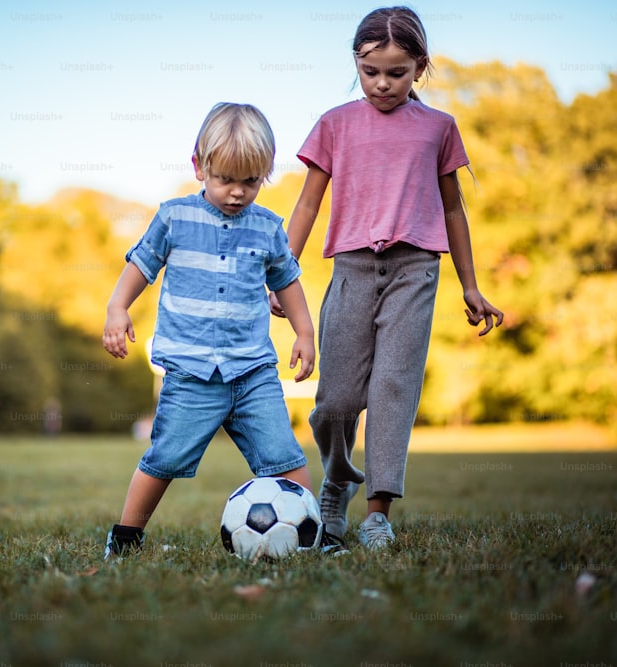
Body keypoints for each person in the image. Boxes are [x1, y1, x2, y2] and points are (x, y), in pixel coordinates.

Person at [272, 6, 504, 551]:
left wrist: (469, 285)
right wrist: (282, 273)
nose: (382, 83)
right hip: (351, 269)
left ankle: (378, 513)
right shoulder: (334, 123)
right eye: (371, 70)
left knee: (394, 389)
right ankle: (336, 478)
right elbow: (307, 204)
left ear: (420, 68)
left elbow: (454, 211)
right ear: (356, 61)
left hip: (415, 271)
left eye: (397, 73)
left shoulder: (439, 129)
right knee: (335, 399)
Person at [102, 102, 323, 557]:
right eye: (225, 179)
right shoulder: (173, 218)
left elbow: (288, 281)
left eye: (251, 181)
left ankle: (311, 538)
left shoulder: (267, 228)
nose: (237, 193)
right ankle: (125, 537)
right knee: (163, 458)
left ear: (265, 176)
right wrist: (117, 308)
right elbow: (141, 265)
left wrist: (304, 333)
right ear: (199, 166)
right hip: (190, 374)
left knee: (286, 458)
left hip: (253, 373)